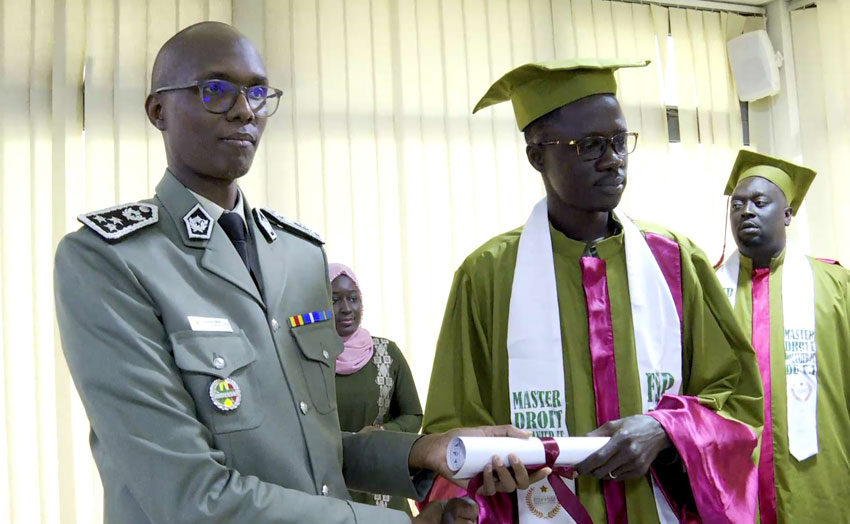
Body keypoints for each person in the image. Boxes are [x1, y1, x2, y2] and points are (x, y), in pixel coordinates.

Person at [53, 21, 543, 524]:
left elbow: (313, 449)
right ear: (158, 110)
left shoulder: (297, 253)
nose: (245, 109)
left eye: (259, 92)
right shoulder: (109, 261)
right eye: (216, 90)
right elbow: (187, 493)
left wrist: (427, 452)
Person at [421, 58, 764, 524]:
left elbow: (737, 404)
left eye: (620, 141)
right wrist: (481, 469)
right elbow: (451, 436)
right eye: (589, 145)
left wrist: (665, 429)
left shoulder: (676, 261)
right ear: (537, 155)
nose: (613, 159)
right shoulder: (486, 276)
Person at [715, 150, 850, 523]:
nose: (746, 212)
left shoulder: (836, 287)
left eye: (760, 202)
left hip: (818, 475)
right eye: (737, 204)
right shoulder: (707, 291)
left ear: (788, 213)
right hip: (732, 478)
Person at [330, 262, 423, 514]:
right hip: (330, 483)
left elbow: (414, 415)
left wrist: (381, 432)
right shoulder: (309, 359)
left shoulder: (386, 353)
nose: (346, 308)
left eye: (353, 298)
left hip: (383, 483)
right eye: (335, 300)